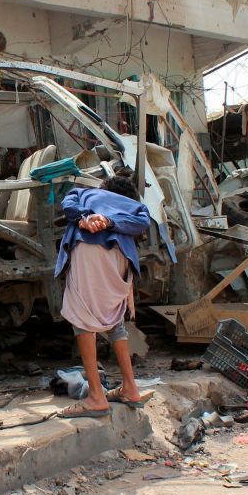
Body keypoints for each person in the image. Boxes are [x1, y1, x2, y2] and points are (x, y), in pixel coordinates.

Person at [53, 171, 152, 417]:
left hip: (89, 249)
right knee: (115, 318)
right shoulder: (137, 207)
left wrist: (85, 218)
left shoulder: (85, 193)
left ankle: (96, 397)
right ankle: (130, 388)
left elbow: (67, 203)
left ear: (104, 187)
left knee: (82, 316)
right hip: (120, 256)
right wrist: (110, 222)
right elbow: (143, 222)